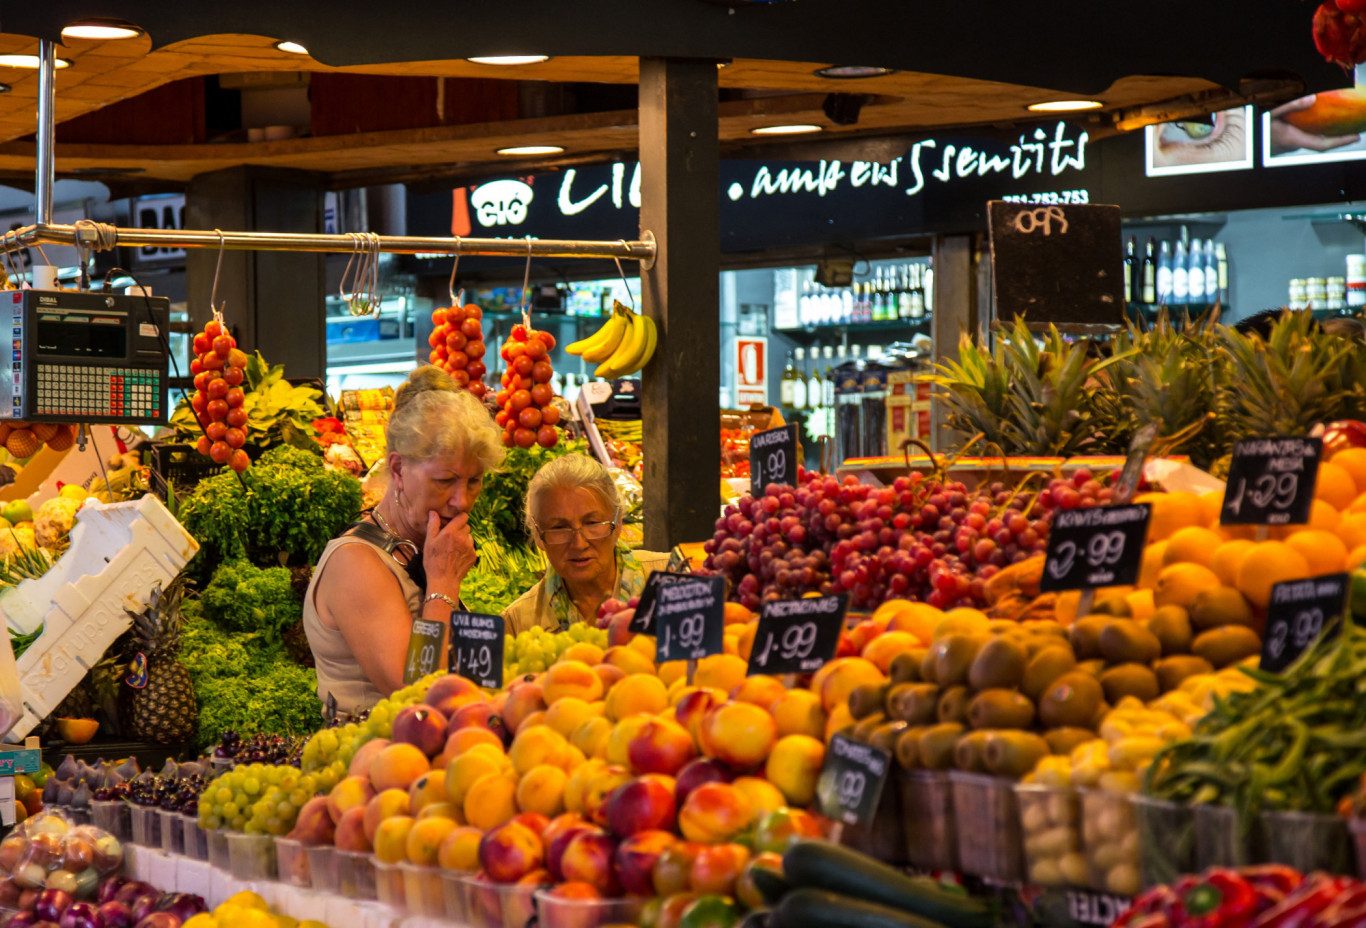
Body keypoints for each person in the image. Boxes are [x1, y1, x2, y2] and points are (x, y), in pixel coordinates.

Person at [303, 366, 504, 711]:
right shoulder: (355, 563)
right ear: (397, 469)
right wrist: (443, 583)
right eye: (445, 481)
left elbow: (468, 676)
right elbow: (416, 691)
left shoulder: (422, 548)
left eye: (474, 481)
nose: (462, 501)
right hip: (374, 744)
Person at [503, 453, 668, 634]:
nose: (579, 544)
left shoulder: (674, 576)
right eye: (559, 528)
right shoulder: (516, 625)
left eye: (592, 523)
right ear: (537, 534)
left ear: (618, 522)